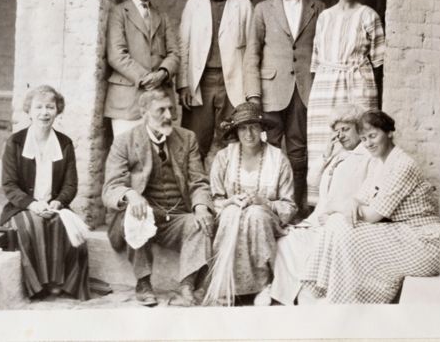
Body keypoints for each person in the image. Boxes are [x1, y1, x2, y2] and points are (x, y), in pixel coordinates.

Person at [300, 110, 440, 304]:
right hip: (402, 232)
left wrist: (336, 206)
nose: (368, 143)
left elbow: (373, 215)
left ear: (390, 133)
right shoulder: (378, 163)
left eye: (373, 136)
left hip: (425, 242)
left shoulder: (402, 165)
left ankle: (347, 299)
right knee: (336, 222)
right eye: (364, 138)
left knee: (345, 228)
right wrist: (350, 202)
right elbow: (360, 198)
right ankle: (320, 289)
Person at [102, 87, 215, 307]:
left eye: (170, 109)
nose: (168, 116)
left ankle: (186, 286)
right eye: (160, 110)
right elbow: (111, 188)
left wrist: (201, 206)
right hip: (142, 214)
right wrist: (131, 194)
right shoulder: (125, 141)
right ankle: (143, 283)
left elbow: (198, 182)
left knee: (200, 222)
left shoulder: (187, 138)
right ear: (143, 112)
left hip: (176, 217)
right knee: (137, 212)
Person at [0, 85, 110, 300]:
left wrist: (58, 203)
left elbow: (70, 185)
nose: (44, 112)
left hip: (54, 206)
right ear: (29, 111)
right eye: (38, 107)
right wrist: (32, 204)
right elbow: (9, 185)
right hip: (21, 207)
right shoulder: (15, 142)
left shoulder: (65, 144)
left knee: (66, 228)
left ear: (57, 110)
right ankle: (39, 285)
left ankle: (60, 283)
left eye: (50, 107)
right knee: (31, 225)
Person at [243, 0, 325, 219]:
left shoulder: (319, 8)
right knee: (273, 150)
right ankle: (271, 207)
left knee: (300, 150)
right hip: (270, 92)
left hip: (304, 90)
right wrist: (253, 95)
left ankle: (298, 208)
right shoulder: (263, 9)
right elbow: (252, 54)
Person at [269, 104, 371, 305]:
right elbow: (312, 181)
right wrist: (326, 154)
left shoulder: (368, 157)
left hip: (340, 224)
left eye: (346, 129)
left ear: (360, 129)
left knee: (305, 249)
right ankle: (285, 297)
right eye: (337, 130)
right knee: (284, 243)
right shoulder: (337, 155)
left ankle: (306, 298)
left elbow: (364, 198)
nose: (340, 135)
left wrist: (336, 214)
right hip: (318, 221)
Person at [206, 102, 297, 306]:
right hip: (231, 217)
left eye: (254, 127)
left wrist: (264, 202)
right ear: (236, 132)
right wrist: (230, 201)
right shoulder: (224, 158)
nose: (249, 134)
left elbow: (289, 205)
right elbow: (214, 199)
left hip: (265, 221)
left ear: (262, 129)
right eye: (243, 128)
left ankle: (264, 285)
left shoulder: (278, 159)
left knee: (255, 214)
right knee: (231, 214)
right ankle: (226, 285)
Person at [306, 0, 385, 168]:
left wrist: (364, 86)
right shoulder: (325, 17)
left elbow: (378, 62)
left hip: (357, 84)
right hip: (326, 84)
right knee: (324, 139)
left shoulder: (368, 15)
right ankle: (321, 198)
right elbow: (316, 58)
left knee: (359, 138)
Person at [176, 0, 253, 162]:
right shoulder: (193, 5)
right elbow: (183, 46)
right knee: (193, 145)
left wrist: (249, 91)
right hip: (200, 83)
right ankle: (193, 195)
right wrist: (183, 84)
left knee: (232, 144)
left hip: (233, 84)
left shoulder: (244, 5)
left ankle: (228, 194)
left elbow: (251, 52)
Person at [104, 0, 180, 137]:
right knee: (128, 154)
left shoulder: (162, 17)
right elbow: (116, 55)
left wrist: (162, 73)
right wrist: (147, 78)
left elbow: (174, 54)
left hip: (159, 101)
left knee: (158, 155)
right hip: (127, 102)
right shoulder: (118, 13)